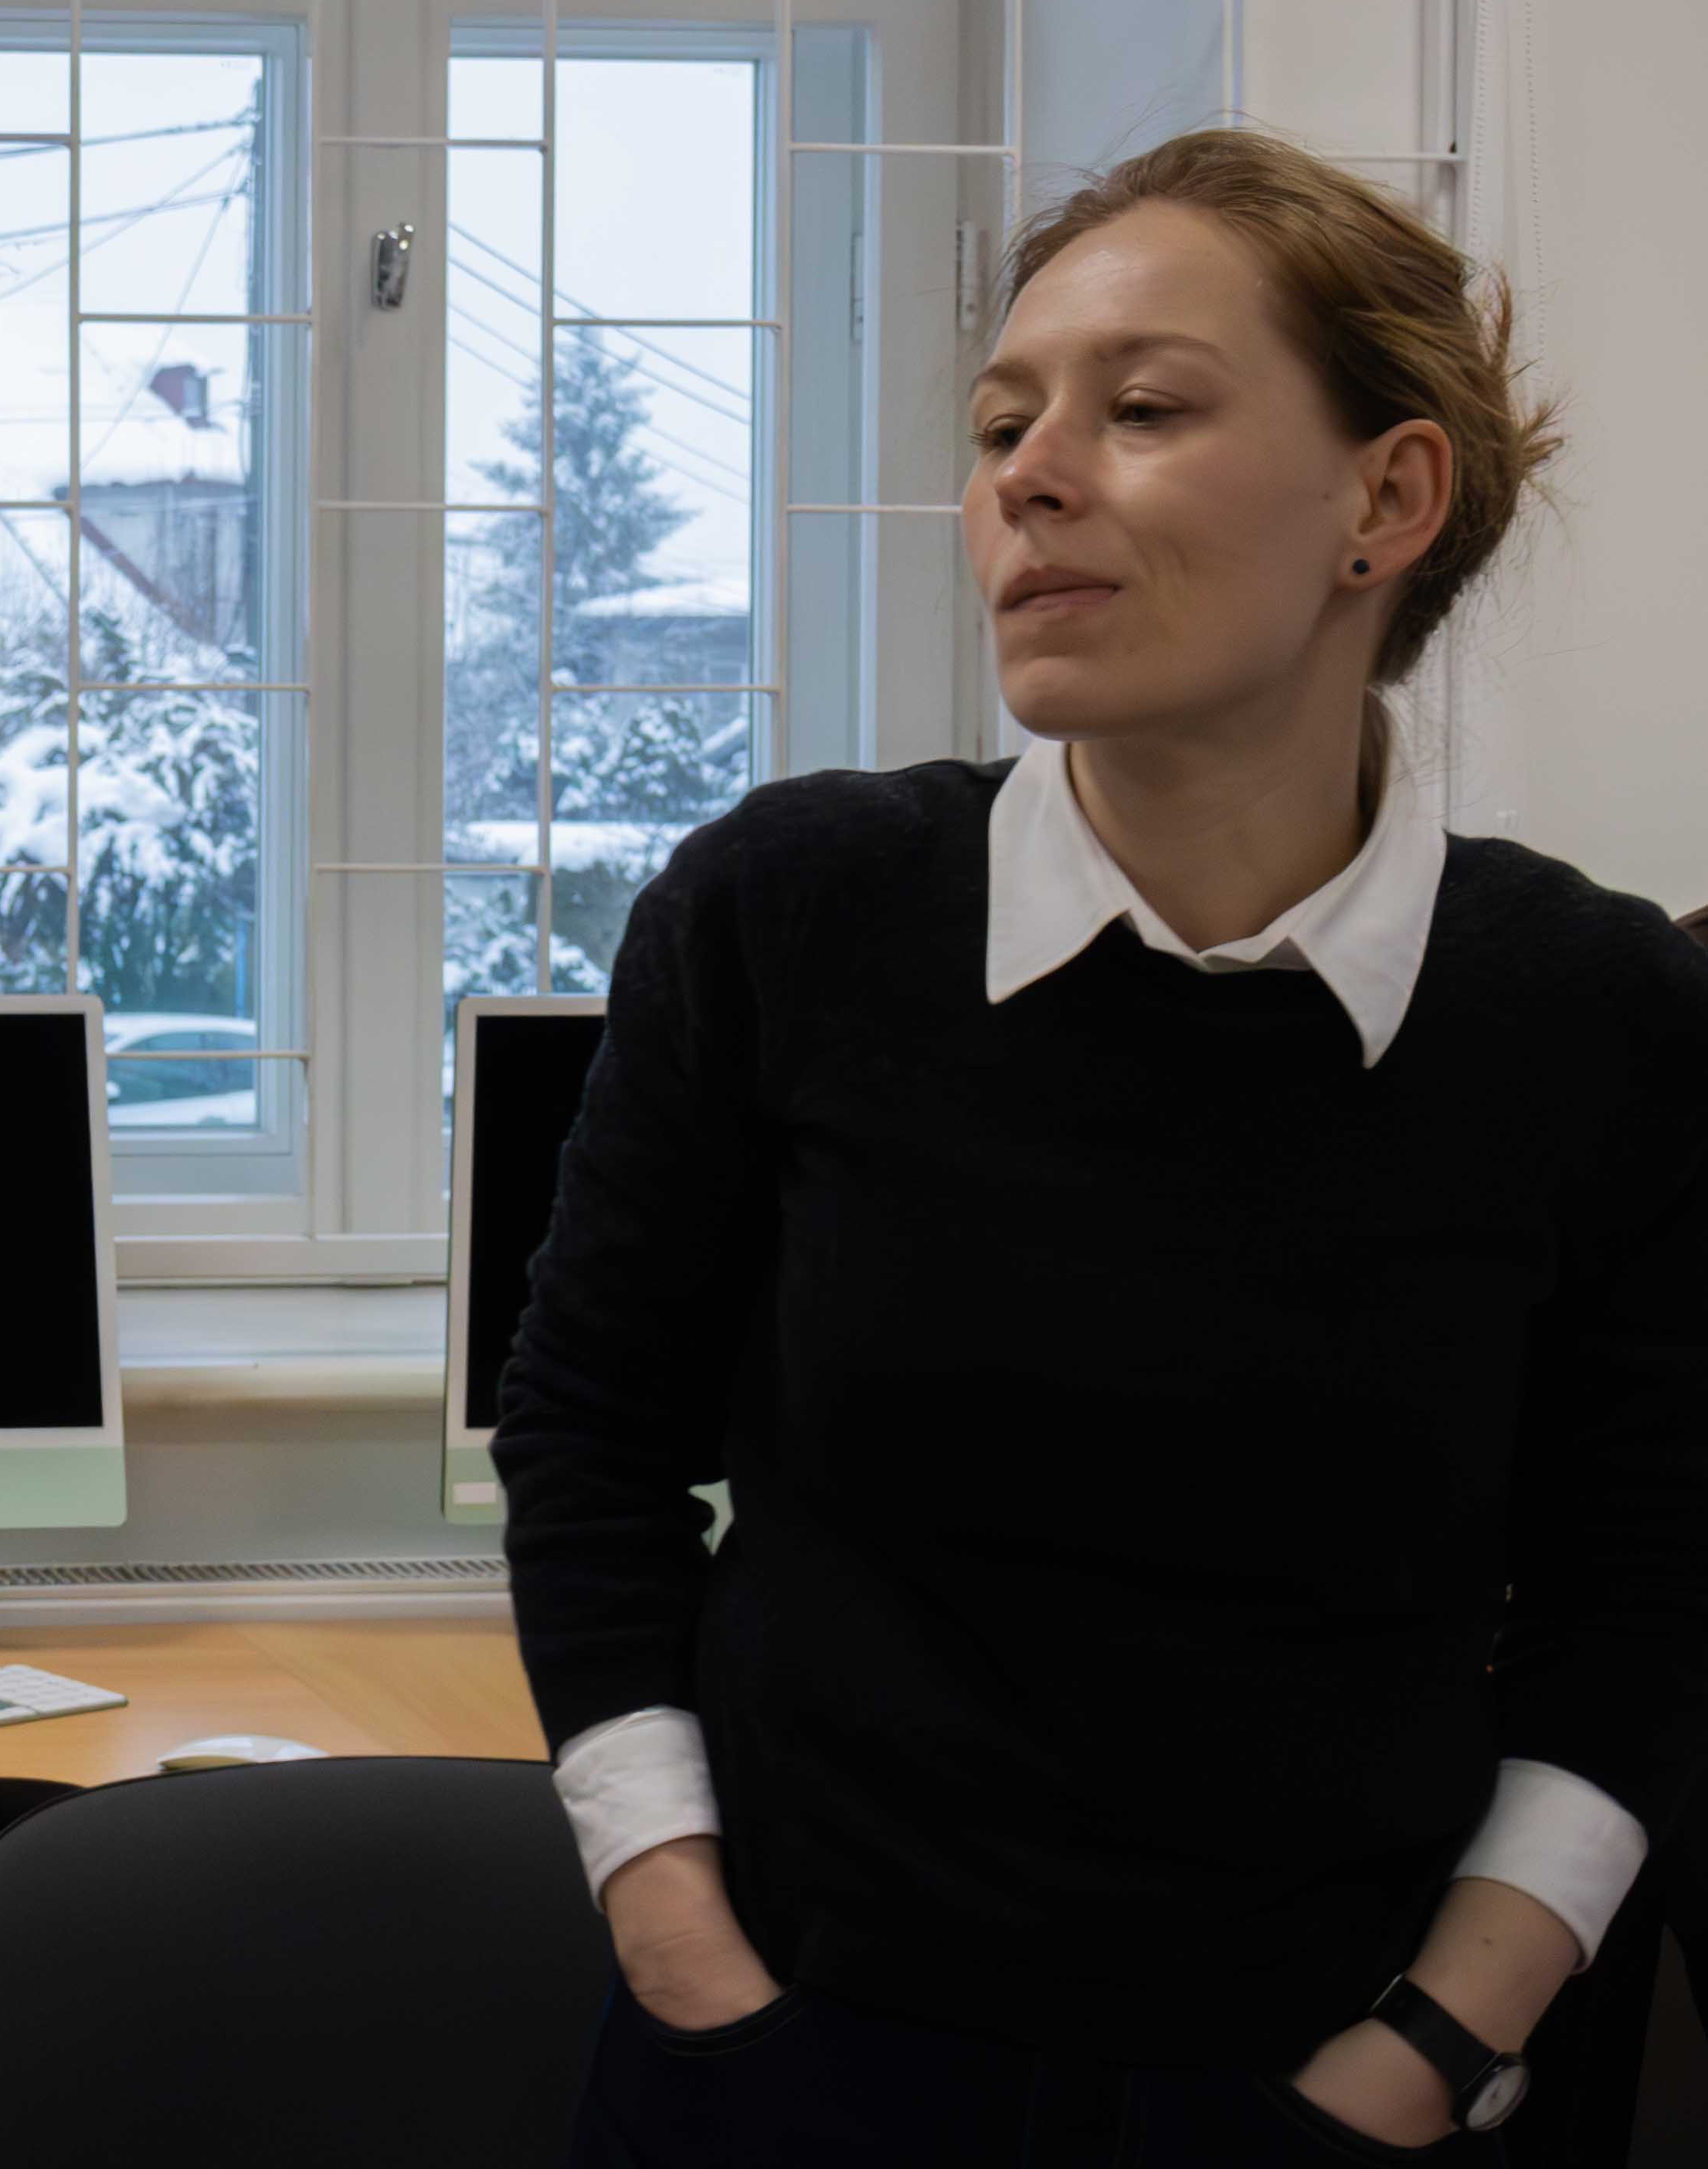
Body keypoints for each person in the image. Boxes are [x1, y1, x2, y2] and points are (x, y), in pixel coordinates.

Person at [494, 131, 1708, 2165]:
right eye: (1001, 427)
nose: (1029, 479)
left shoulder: (1601, 1014)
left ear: (1388, 501)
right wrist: (686, 1949)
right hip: (791, 2075)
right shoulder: (790, 912)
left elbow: (1651, 1588)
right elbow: (589, 1440)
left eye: (1142, 409)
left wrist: (1431, 2045)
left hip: (1336, 2092)